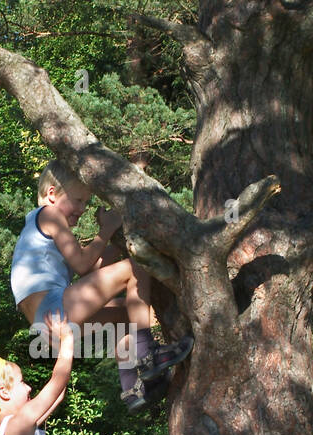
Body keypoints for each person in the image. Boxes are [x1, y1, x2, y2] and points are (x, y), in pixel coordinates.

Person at [10, 160, 192, 410]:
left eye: (86, 202)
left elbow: (92, 273)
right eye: (78, 200)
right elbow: (85, 265)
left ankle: (133, 388)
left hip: (48, 323)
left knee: (126, 314)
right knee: (136, 266)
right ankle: (147, 355)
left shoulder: (37, 225)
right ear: (52, 194)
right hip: (54, 307)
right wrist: (106, 229)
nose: (83, 209)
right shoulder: (50, 215)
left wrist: (116, 243)